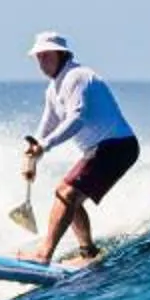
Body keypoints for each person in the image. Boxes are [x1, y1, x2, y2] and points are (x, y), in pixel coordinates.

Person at [20, 30, 139, 264]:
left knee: (66, 192)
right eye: (39, 57)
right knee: (68, 196)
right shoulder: (54, 88)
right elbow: (46, 126)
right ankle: (88, 252)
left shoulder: (78, 76)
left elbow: (77, 119)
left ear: (61, 54)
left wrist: (45, 146)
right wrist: (32, 156)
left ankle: (44, 254)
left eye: (47, 55)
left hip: (117, 146)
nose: (42, 62)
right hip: (100, 149)